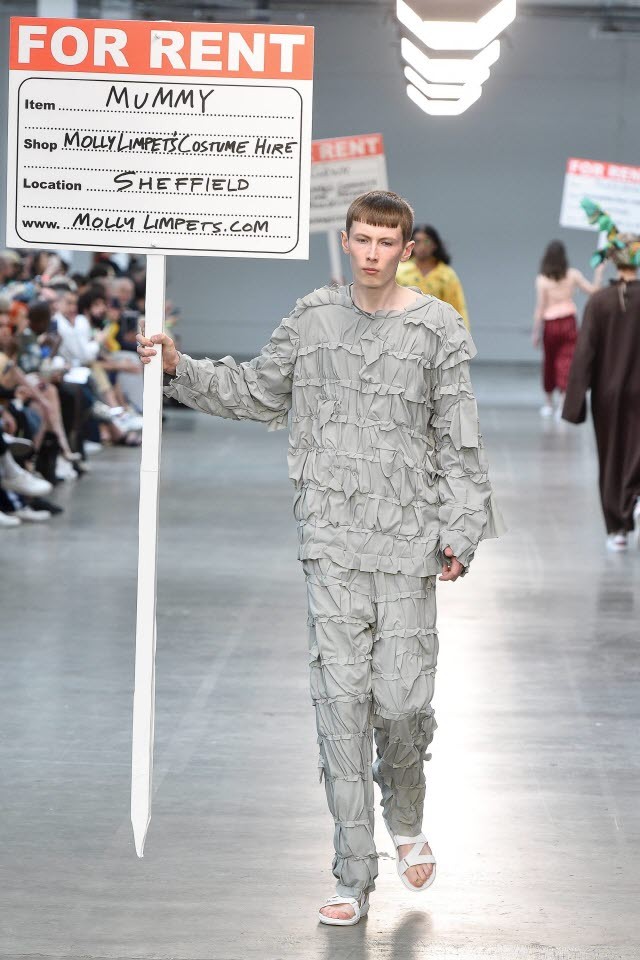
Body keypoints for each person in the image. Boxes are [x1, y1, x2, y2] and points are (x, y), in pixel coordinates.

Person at [137, 190, 504, 926]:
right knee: (339, 705)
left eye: (386, 242)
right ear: (346, 242)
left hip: (406, 542)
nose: (372, 252)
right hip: (330, 538)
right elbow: (257, 390)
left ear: (406, 249)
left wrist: (460, 529)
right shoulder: (312, 318)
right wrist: (180, 369)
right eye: (362, 239)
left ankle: (405, 815)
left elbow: (458, 435)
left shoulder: (438, 327)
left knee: (402, 704)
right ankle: (352, 872)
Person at [562, 200, 640, 552]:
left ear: (611, 258)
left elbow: (584, 355)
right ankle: (634, 495)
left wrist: (574, 404)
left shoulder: (599, 302)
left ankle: (617, 529)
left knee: (611, 457)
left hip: (607, 395)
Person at [532, 241, 604, 418]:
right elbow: (594, 291)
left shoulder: (542, 280)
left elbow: (540, 308)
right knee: (566, 362)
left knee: (549, 362)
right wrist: (599, 272)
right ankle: (562, 404)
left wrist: (536, 332)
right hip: (568, 322)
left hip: (550, 324)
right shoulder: (573, 275)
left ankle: (548, 403)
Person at [396, 224, 469, 329]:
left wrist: (461, 333)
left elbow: (457, 307)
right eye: (418, 241)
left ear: (435, 245)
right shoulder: (399, 271)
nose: (422, 246)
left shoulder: (446, 274)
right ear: (411, 245)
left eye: (426, 241)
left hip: (436, 331)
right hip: (404, 328)